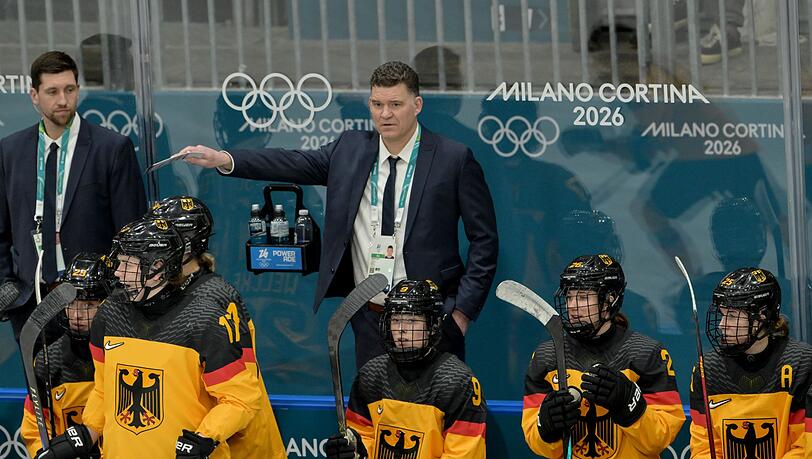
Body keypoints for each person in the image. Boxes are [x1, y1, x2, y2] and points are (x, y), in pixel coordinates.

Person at [177, 60, 498, 368]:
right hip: (370, 316)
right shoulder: (350, 149)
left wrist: (461, 313)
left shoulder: (453, 159)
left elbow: (484, 239)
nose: (385, 114)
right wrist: (222, 158)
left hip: (432, 316)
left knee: (436, 410)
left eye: (396, 105)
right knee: (375, 411)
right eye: (376, 104)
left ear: (417, 105)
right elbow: (290, 162)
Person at [35, 218, 264, 458]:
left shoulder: (205, 318)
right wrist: (87, 431)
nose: (118, 272)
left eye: (127, 265)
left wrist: (205, 437)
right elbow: (105, 391)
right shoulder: (110, 313)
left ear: (157, 269)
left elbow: (241, 399)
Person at [0, 50, 146, 340]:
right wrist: (7, 283)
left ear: (78, 90)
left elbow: (131, 232)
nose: (63, 100)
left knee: (95, 385)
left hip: (95, 301)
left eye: (70, 89)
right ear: (34, 95)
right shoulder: (10, 151)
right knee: (40, 384)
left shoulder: (111, 148)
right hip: (31, 300)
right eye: (52, 92)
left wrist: (117, 296)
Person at [146, 195, 287, 458]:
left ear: (188, 243)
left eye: (162, 234)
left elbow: (240, 396)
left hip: (234, 441)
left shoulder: (215, 297)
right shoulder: (168, 290)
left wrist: (206, 435)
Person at [523, 254, 685, 458]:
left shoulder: (646, 352)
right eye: (569, 296)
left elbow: (659, 440)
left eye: (582, 297)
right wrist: (547, 428)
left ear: (609, 299)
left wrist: (629, 404)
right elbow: (539, 444)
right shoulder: (545, 356)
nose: (572, 305)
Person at [324, 279, 487, 459]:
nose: (401, 330)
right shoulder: (371, 374)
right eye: (395, 320)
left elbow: (464, 453)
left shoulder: (457, 381)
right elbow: (363, 437)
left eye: (411, 321)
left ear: (433, 326)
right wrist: (355, 452)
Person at [689, 267, 811, 457]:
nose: (722, 325)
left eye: (731, 316)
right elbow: (703, 447)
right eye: (722, 314)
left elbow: (805, 445)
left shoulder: (801, 362)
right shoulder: (708, 368)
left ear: (761, 316)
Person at [20, 252, 111, 458]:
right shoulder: (47, 360)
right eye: (71, 304)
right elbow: (34, 426)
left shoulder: (123, 356)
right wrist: (43, 453)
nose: (77, 315)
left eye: (88, 305)